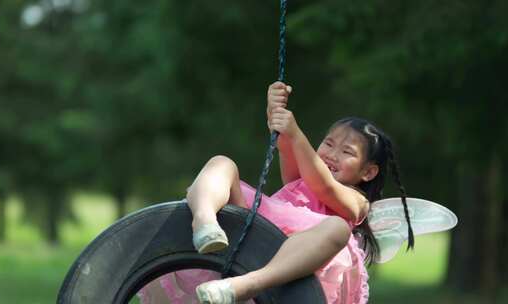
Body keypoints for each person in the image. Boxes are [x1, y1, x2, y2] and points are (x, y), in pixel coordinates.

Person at [140, 81, 415, 304]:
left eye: (346, 152)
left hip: (293, 262)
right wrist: (276, 109)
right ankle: (204, 222)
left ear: (368, 172)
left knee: (337, 230)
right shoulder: (300, 179)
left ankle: (243, 286)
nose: (332, 154)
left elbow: (325, 186)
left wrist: (296, 134)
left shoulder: (357, 202)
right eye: (328, 144)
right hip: (252, 234)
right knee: (221, 163)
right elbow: (286, 144)